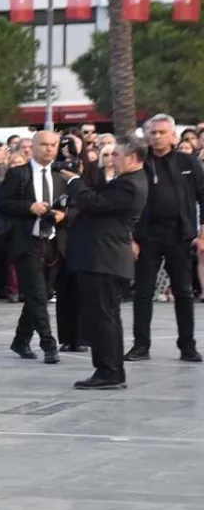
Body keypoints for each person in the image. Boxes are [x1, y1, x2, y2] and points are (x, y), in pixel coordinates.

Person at [63, 142, 149, 389]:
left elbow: (95, 203)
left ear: (132, 158)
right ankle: (109, 369)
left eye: (117, 155)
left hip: (103, 257)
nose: (112, 159)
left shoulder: (129, 184)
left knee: (103, 317)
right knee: (105, 316)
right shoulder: (129, 180)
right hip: (103, 257)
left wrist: (74, 182)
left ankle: (109, 371)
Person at [128, 114, 204, 362]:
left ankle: (187, 345)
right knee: (143, 292)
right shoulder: (140, 162)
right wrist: (130, 238)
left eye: (162, 132)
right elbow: (127, 200)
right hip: (146, 236)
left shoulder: (188, 162)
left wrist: (202, 234)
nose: (157, 136)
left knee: (183, 292)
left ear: (173, 135)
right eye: (152, 132)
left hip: (180, 236)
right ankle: (141, 345)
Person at [0, 130, 66, 365]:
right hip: (27, 241)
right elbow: (2, 203)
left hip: (53, 243)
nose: (49, 149)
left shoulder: (60, 176)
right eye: (44, 144)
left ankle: (21, 339)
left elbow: (74, 204)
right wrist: (29, 207)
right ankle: (49, 344)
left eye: (53, 145)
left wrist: (62, 215)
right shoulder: (19, 174)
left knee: (43, 295)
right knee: (36, 294)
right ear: (33, 147)